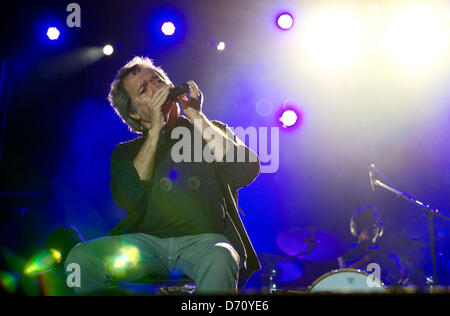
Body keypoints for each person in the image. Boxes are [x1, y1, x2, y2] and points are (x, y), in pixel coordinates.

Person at [64, 56, 261, 295]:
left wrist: (196, 117)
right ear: (135, 113)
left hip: (204, 242)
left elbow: (246, 170)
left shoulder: (208, 129)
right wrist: (156, 128)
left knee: (221, 257)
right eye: (144, 89)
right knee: (80, 257)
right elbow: (128, 198)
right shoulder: (126, 152)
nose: (156, 87)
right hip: (144, 245)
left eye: (157, 80)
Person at [338, 206, 404, 285]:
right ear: (356, 227)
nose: (374, 226)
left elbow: (398, 281)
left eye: (376, 223)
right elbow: (342, 278)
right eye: (369, 222)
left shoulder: (390, 256)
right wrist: (366, 259)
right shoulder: (345, 252)